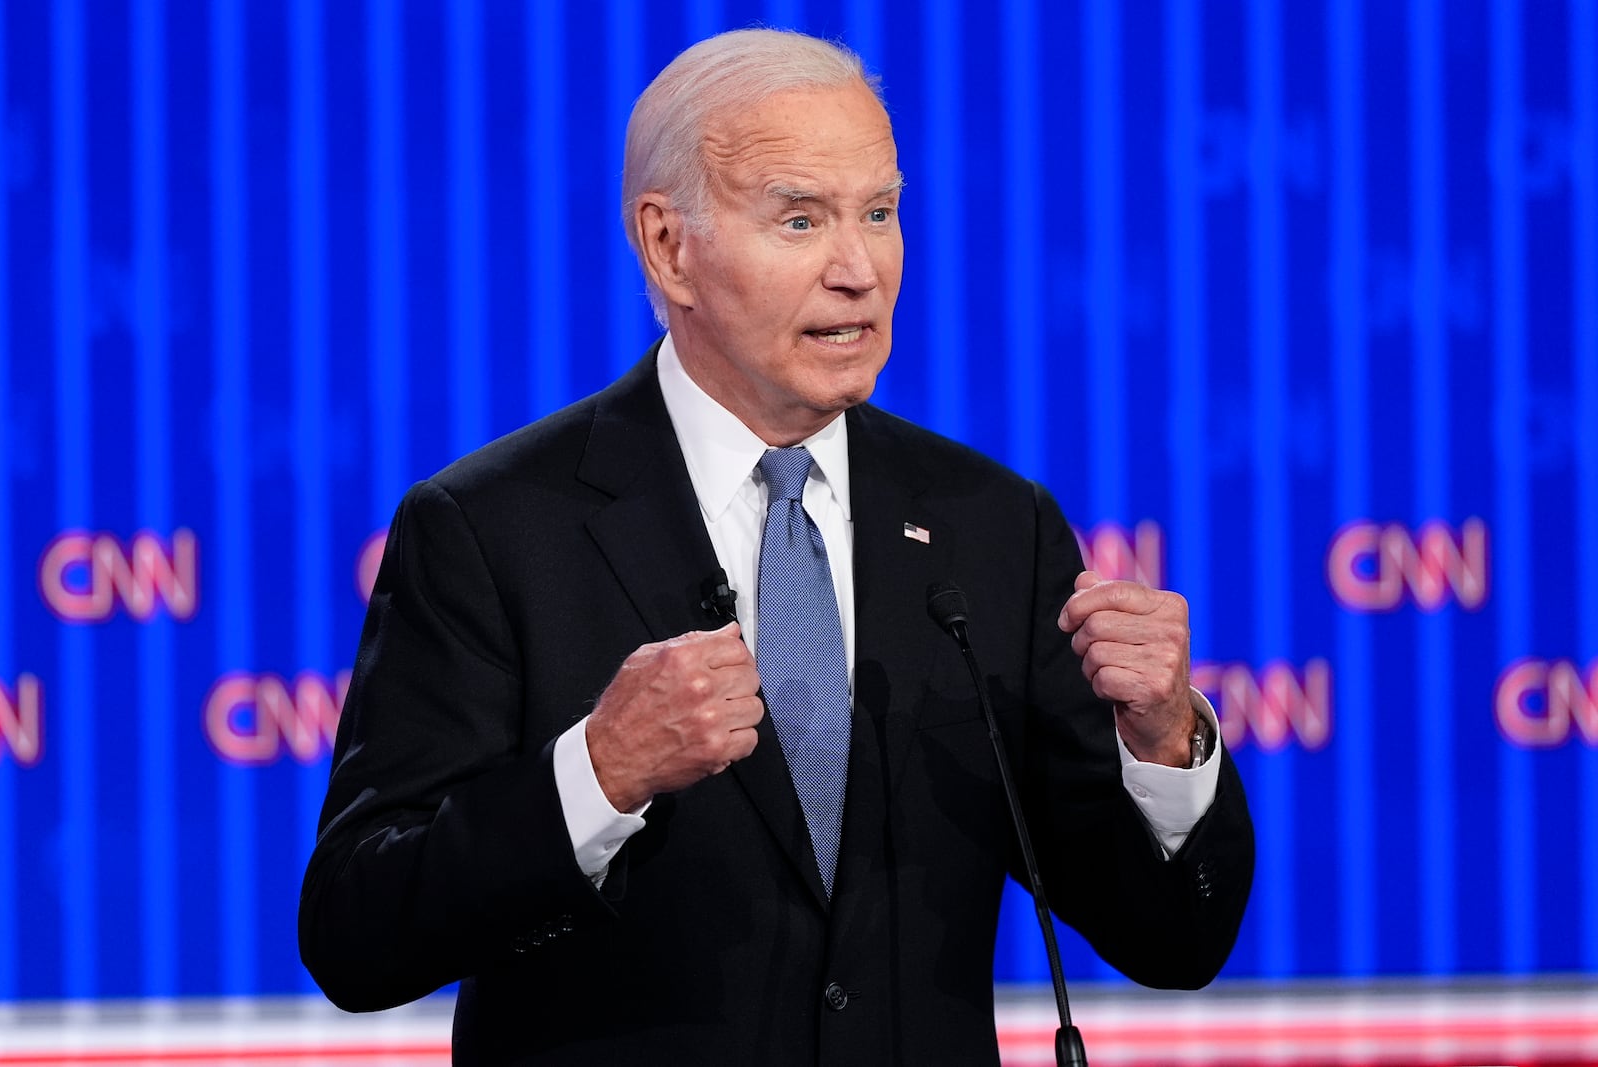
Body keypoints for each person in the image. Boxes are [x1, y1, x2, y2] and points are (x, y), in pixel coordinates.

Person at [299, 27, 1253, 1066]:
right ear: (669, 247)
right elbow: (358, 929)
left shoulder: (991, 524)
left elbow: (1171, 938)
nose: (858, 269)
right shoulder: (492, 529)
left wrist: (1164, 744)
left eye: (879, 212)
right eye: (800, 218)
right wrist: (597, 774)